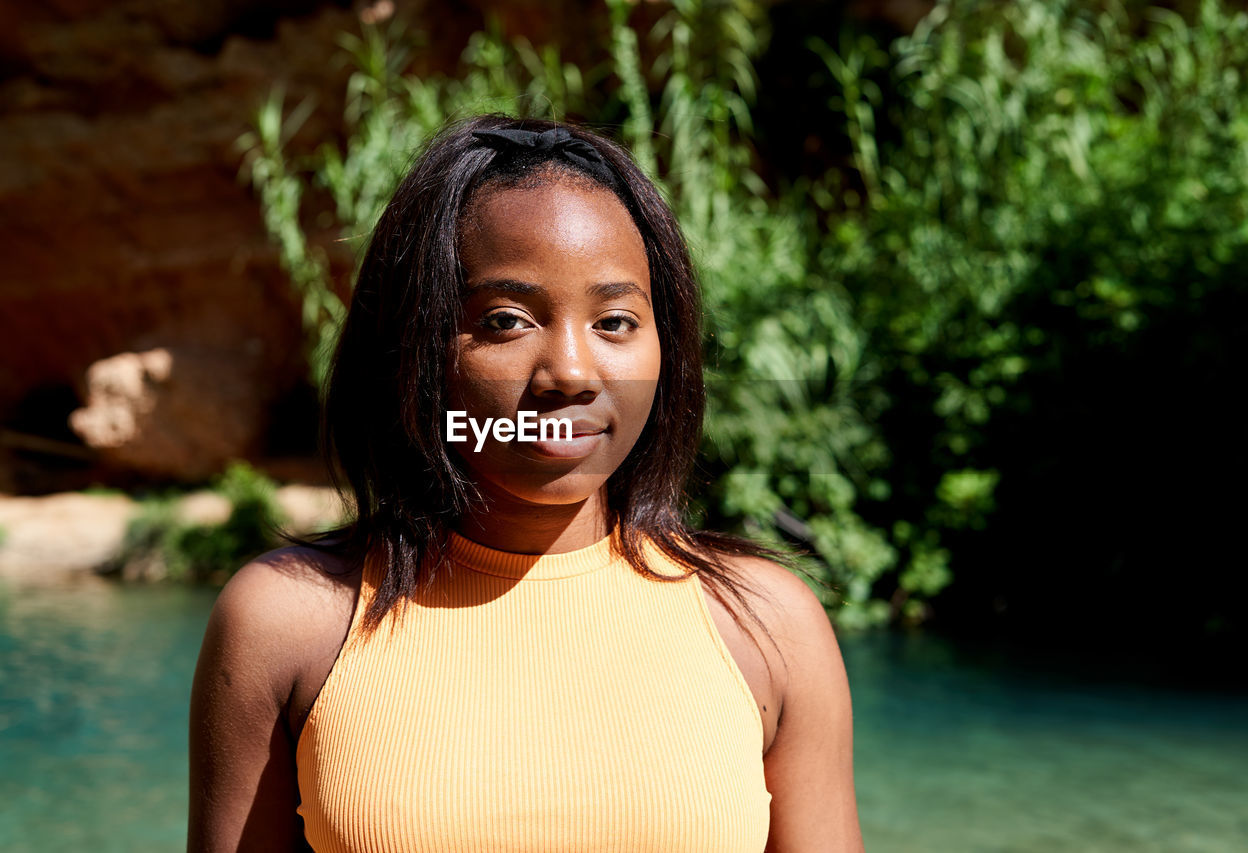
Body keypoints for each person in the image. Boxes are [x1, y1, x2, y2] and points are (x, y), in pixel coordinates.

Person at [188, 114, 864, 852]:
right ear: (415, 344)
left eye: (614, 321)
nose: (571, 372)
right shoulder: (289, 625)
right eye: (507, 321)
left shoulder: (768, 629)